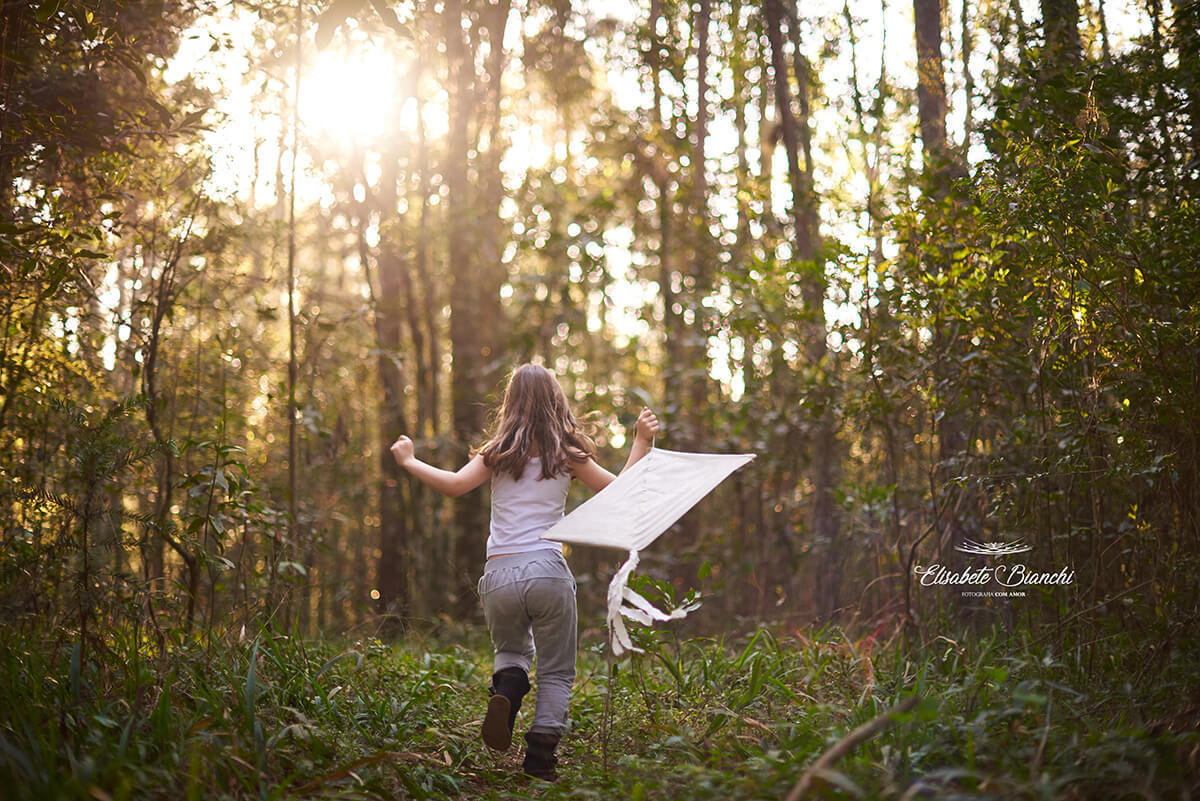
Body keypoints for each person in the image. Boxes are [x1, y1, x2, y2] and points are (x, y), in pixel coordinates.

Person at [388, 363, 660, 782]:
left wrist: (409, 461)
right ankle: (539, 759)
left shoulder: (496, 452)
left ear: (510, 404)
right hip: (548, 570)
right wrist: (641, 440)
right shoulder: (567, 453)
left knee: (512, 652)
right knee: (556, 671)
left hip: (498, 574)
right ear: (556, 402)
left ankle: (509, 690)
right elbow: (620, 491)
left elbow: (454, 485)